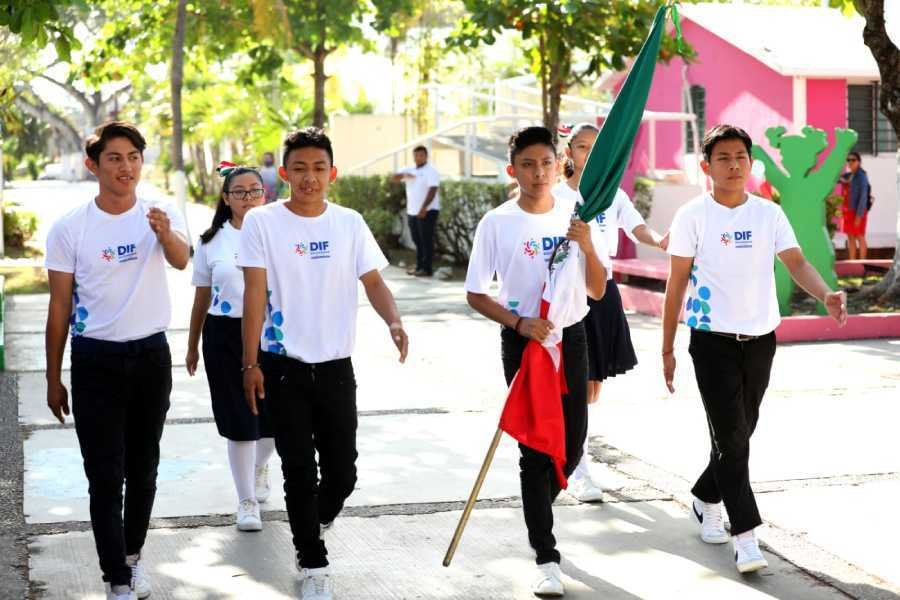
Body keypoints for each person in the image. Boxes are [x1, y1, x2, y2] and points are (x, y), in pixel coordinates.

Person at [662, 124, 847, 574]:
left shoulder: (768, 214)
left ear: (751, 162)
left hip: (761, 340)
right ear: (707, 166)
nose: (733, 164)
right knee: (731, 439)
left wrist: (826, 294)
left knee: (739, 434)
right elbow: (676, 282)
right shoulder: (692, 216)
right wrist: (666, 347)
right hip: (710, 340)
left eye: (740, 156)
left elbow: (797, 262)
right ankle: (745, 536)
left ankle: (706, 497)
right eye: (723, 157)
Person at [239, 127, 409, 600]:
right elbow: (254, 294)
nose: (309, 178)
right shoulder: (262, 223)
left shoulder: (349, 223)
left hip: (336, 367)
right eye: (300, 168)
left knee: (343, 472)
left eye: (318, 168)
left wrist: (393, 321)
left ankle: (315, 519)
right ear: (284, 173)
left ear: (331, 173)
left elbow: (373, 281)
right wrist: (249, 363)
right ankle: (312, 562)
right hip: (282, 365)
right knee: (297, 469)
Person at [44, 121, 190, 600]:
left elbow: (182, 260)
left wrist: (165, 234)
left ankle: (131, 558)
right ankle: (116, 579)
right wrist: (53, 376)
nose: (125, 167)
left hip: (150, 355)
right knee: (104, 474)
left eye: (133, 157)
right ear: (93, 166)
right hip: (95, 361)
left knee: (144, 467)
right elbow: (60, 306)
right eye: (114, 158)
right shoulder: (71, 229)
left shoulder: (158, 213)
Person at [465, 126, 609, 597]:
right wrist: (518, 323)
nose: (538, 172)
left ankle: (537, 509)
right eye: (527, 164)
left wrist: (586, 244)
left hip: (572, 338)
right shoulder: (498, 223)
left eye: (546, 162)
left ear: (560, 164)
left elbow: (598, 288)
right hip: (525, 343)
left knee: (570, 447)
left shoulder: (577, 214)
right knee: (533, 451)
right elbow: (474, 293)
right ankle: (545, 555)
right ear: (513, 170)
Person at [553, 122, 669, 503]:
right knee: (573, 383)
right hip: (568, 298)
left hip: (602, 296)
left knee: (590, 390)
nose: (589, 153)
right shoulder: (556, 197)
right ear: (569, 152)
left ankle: (574, 453)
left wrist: (662, 241)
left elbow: (639, 230)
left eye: (596, 146)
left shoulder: (613, 196)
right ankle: (578, 469)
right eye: (582, 146)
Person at [186, 163, 276, 532]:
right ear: (226, 199)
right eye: (239, 192)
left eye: (254, 190)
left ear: (264, 193)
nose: (248, 198)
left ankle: (258, 466)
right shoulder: (211, 241)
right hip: (224, 336)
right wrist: (192, 345)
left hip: (273, 333)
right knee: (239, 421)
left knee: (273, 420)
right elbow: (201, 297)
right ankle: (246, 501)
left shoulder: (279, 232)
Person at [392, 145, 440, 277]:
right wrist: (404, 175)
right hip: (412, 211)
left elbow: (433, 190)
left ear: (426, 156)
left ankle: (427, 269)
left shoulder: (431, 171)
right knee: (417, 240)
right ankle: (419, 267)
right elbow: (394, 178)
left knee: (426, 241)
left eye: (421, 155)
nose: (418, 158)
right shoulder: (410, 169)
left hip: (428, 211)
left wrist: (424, 207)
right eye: (416, 155)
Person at [839, 151, 871, 260]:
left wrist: (859, 215)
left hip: (857, 211)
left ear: (859, 162)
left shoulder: (861, 176)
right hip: (848, 211)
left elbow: (863, 197)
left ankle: (862, 264)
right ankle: (852, 263)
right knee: (850, 237)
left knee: (860, 236)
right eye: (848, 160)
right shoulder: (848, 176)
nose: (850, 162)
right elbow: (836, 178)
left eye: (853, 160)